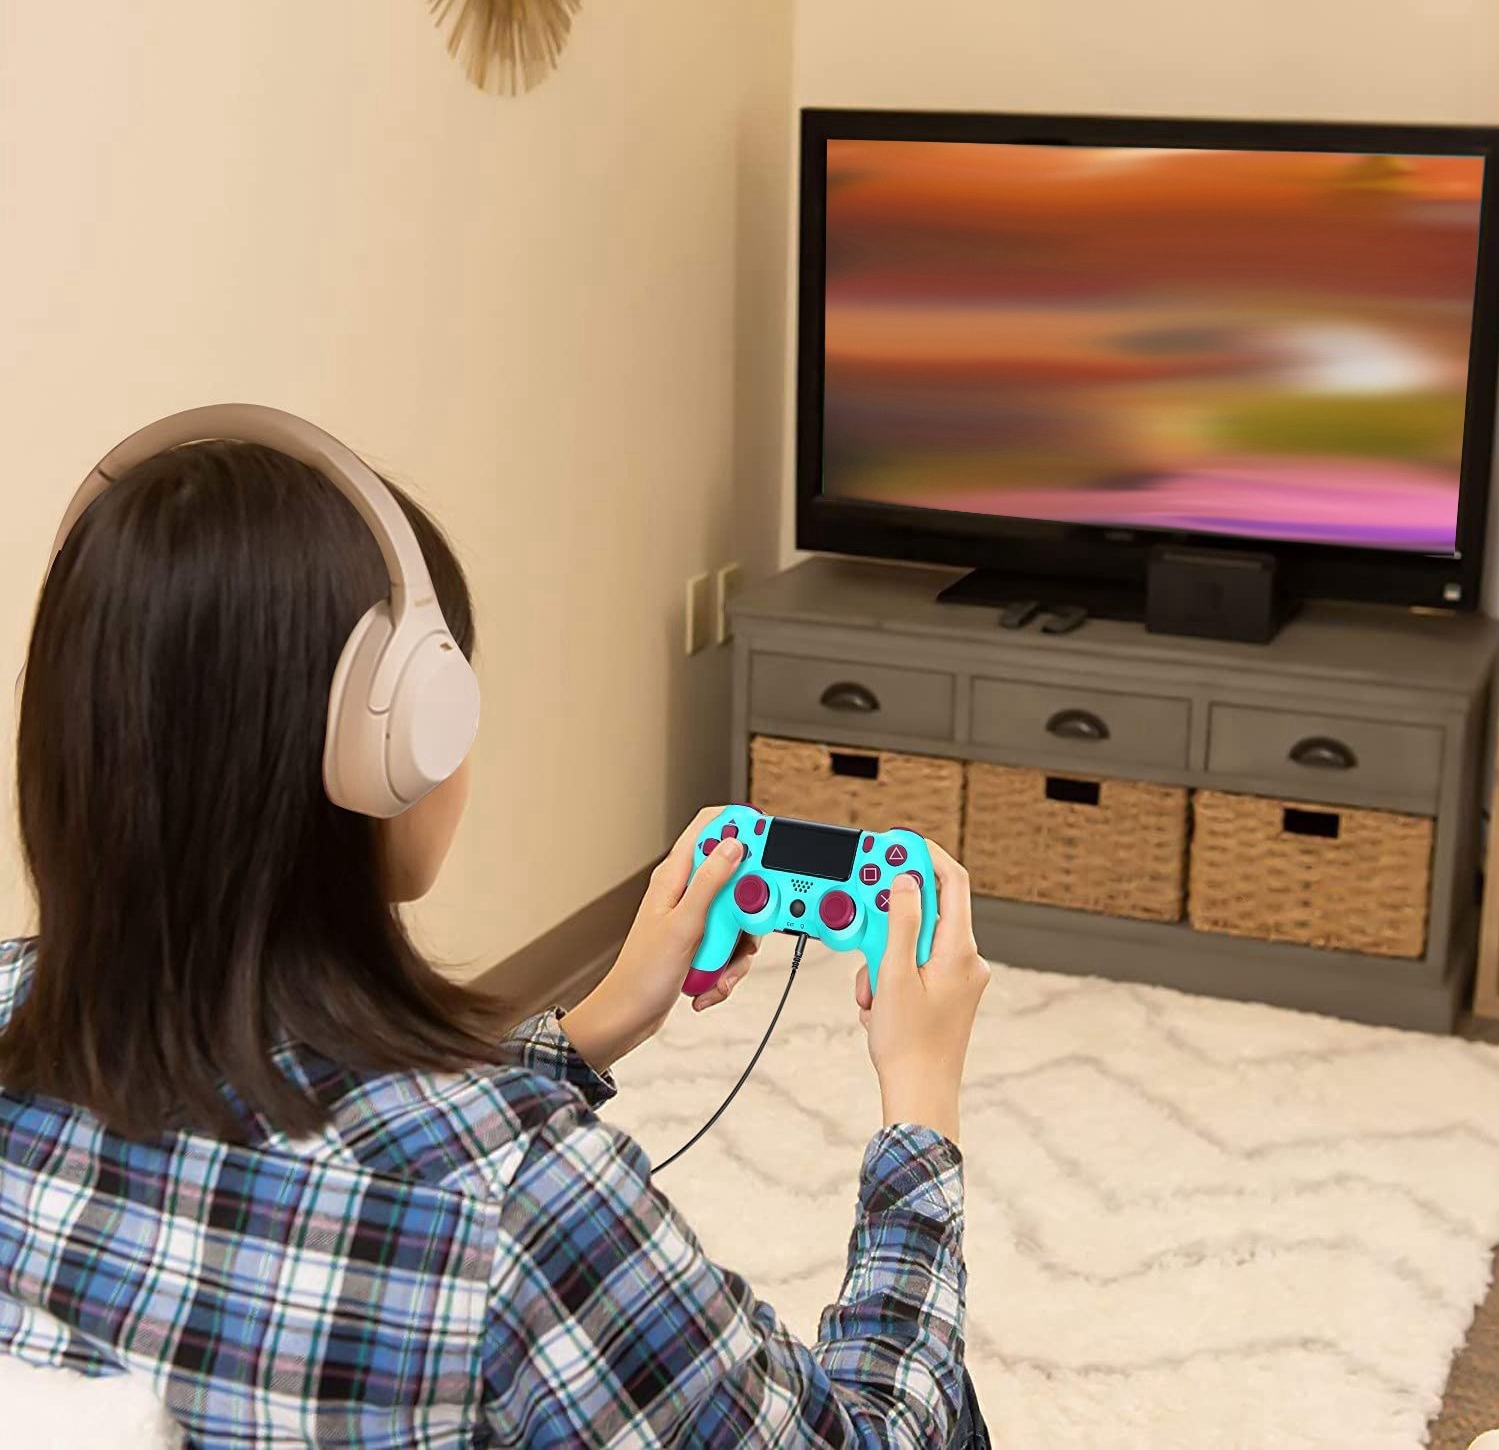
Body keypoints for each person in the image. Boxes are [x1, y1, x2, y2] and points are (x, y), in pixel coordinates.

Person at [0, 425, 992, 1446]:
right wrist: (923, 1096)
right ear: (399, 741)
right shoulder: (524, 1206)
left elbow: (342, 1120)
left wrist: (594, 1027)